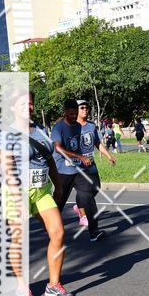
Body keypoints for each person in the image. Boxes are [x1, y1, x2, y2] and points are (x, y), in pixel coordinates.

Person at [0, 90, 72, 296]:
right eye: (22, 104)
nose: (27, 107)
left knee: (58, 233)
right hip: (16, 192)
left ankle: (54, 285)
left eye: (30, 103)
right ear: (13, 108)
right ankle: (22, 286)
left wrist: (57, 186)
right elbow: (7, 168)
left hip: (41, 191)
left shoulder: (41, 130)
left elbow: (49, 160)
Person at [51, 99, 107, 242]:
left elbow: (84, 144)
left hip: (79, 170)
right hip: (63, 171)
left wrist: (87, 158)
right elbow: (58, 148)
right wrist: (80, 156)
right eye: (70, 114)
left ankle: (94, 232)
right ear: (64, 112)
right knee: (59, 203)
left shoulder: (78, 126)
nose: (73, 116)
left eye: (74, 113)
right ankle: (52, 231)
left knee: (88, 198)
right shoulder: (58, 128)